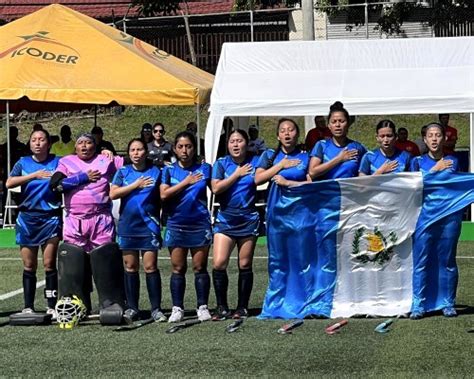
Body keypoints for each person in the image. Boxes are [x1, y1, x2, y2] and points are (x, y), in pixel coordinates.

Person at [50, 133, 124, 312]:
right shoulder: (67, 162)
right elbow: (55, 185)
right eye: (80, 143)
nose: (84, 146)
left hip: (101, 219)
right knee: (75, 261)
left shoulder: (105, 160)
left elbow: (135, 161)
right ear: (75, 147)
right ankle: (77, 303)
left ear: (96, 145)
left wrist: (111, 153)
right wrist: (83, 177)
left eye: (89, 142)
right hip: (75, 220)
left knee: (104, 260)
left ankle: (110, 302)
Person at [6, 129, 61, 316]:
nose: (37, 143)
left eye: (42, 139)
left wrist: (105, 153)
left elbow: (77, 167)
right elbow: (9, 183)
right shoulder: (23, 162)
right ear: (29, 144)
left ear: (48, 143)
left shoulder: (58, 161)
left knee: (49, 264)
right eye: (34, 140)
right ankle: (28, 305)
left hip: (51, 217)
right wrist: (33, 175)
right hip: (27, 218)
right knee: (29, 265)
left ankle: (51, 305)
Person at [110, 138, 166, 323]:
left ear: (145, 152)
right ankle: (133, 308)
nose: (136, 153)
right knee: (130, 267)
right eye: (132, 150)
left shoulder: (156, 172)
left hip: (149, 226)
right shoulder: (123, 172)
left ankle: (156, 309)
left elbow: (164, 193)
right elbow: (113, 193)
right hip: (127, 225)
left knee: (150, 267)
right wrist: (135, 185)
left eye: (140, 149)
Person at [160, 131, 213, 323]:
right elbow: (164, 195)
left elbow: (217, 187)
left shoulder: (205, 168)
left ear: (194, 149)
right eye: (181, 146)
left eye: (189, 146)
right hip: (176, 224)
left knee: (200, 267)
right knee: (178, 268)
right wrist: (186, 181)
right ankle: (177, 308)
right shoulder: (167, 170)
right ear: (175, 148)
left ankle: (202, 306)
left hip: (199, 223)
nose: (185, 150)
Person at [410, 122, 461, 319]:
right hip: (424, 217)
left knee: (447, 261)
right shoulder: (417, 162)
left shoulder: (453, 161)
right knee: (421, 261)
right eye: (430, 135)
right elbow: (414, 187)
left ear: (444, 138)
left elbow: (450, 184)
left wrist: (436, 172)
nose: (434, 139)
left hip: (449, 218)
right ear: (424, 139)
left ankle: (448, 303)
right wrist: (435, 170)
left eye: (438, 135)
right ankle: (418, 304)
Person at [211, 129, 260, 320]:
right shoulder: (221, 164)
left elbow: (265, 172)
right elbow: (216, 188)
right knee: (219, 262)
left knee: (245, 263)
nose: (236, 144)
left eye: (239, 141)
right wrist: (237, 174)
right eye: (232, 141)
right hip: (226, 220)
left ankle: (242, 307)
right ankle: (221, 307)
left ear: (246, 144)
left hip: (248, 219)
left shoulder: (255, 161)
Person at [309, 101, 366, 180]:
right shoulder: (321, 145)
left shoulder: (358, 147)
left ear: (348, 124)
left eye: (341, 121)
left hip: (349, 191)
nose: (337, 125)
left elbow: (366, 173)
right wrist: (339, 159)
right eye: (334, 122)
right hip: (327, 191)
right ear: (329, 125)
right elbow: (312, 172)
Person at [255, 118, 310, 187]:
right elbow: (257, 179)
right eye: (282, 131)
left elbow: (311, 183)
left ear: (298, 134)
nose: (287, 133)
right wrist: (280, 165)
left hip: (300, 197)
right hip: (275, 197)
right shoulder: (269, 154)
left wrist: (288, 183)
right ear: (278, 136)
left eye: (291, 130)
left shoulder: (306, 156)